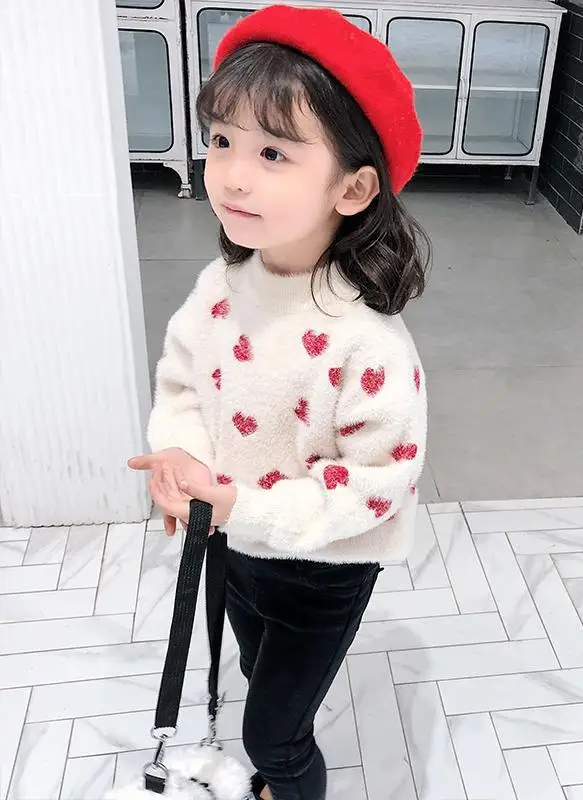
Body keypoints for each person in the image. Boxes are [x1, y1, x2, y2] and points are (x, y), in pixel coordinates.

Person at [127, 5, 429, 799]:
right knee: (257, 667)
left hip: (324, 568)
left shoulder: (367, 344)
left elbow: (377, 483)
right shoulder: (223, 285)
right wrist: (184, 452)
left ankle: (283, 782)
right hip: (236, 547)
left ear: (353, 188)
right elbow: (183, 380)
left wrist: (240, 505)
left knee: (275, 735)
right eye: (222, 140)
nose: (232, 174)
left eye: (272, 153)